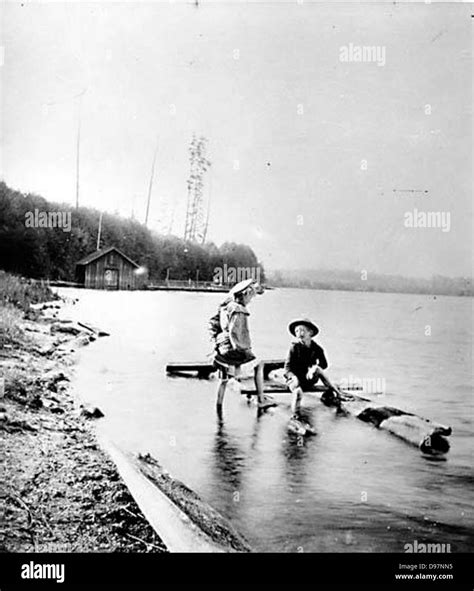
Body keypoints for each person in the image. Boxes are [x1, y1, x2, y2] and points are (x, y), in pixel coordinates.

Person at [210, 278, 277, 412]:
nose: (250, 301)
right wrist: (245, 351)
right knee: (259, 365)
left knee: (223, 379)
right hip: (233, 350)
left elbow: (218, 325)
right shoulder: (239, 310)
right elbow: (237, 333)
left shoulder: (226, 307)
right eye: (250, 297)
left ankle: (218, 406)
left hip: (222, 348)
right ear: (245, 295)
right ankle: (261, 399)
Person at [284, 317, 342, 422]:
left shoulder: (317, 348)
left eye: (302, 330)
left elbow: (324, 364)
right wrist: (293, 377)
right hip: (295, 380)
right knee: (297, 392)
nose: (299, 333)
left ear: (310, 332)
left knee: (318, 369)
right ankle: (295, 416)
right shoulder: (294, 348)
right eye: (297, 331)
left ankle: (337, 393)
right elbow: (287, 368)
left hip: (308, 378)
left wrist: (312, 369)